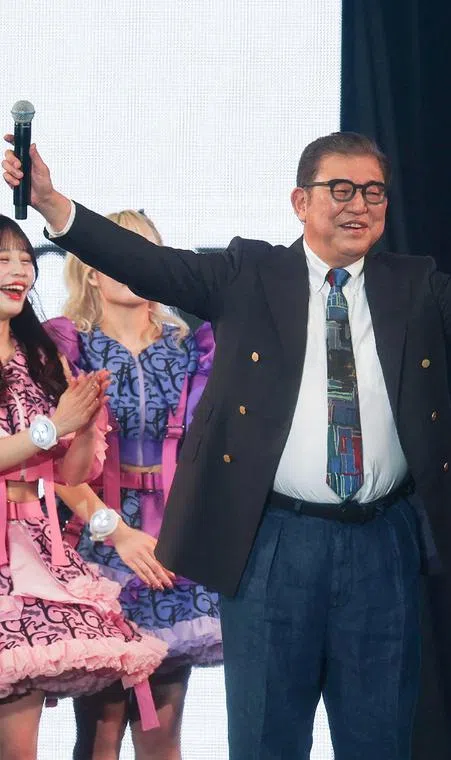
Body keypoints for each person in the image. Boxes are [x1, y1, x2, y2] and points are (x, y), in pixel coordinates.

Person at [3, 130, 451, 757]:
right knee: (267, 738)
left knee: (377, 737)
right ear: (300, 202)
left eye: (374, 192)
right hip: (272, 541)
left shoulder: (414, 287)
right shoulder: (249, 274)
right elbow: (146, 263)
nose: (359, 205)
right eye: (341, 190)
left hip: (381, 543)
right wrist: (53, 201)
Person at [45, 208, 220, 760]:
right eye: (118, 252)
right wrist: (115, 531)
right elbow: (53, 463)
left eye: (143, 251)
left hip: (174, 553)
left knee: (162, 733)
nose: (131, 265)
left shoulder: (193, 347)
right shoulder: (71, 347)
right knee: (100, 734)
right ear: (91, 270)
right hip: (98, 547)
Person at [0, 215, 167, 760]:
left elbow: (68, 478)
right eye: (3, 260)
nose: (19, 270)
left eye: (25, 259)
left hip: (36, 555)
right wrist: (53, 426)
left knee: (21, 745)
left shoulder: (40, 357)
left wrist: (84, 423)